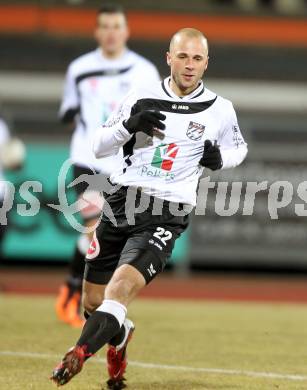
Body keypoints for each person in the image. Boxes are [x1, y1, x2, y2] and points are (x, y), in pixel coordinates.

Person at [51, 28, 248, 389]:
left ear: (206, 63)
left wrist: (220, 159)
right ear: (169, 58)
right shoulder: (141, 97)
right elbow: (97, 145)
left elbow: (239, 148)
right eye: (183, 57)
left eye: (197, 58)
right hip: (122, 201)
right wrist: (128, 126)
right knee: (93, 303)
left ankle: (78, 353)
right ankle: (120, 334)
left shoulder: (220, 109)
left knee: (119, 290)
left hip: (167, 213)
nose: (190, 66)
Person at [56, 3, 160, 328]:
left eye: (117, 26)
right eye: (105, 26)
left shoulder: (144, 71)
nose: (111, 32)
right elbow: (69, 114)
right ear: (96, 31)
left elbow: (159, 118)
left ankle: (72, 289)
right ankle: (78, 296)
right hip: (88, 161)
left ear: (126, 31)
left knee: (99, 239)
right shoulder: (79, 69)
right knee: (93, 230)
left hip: (125, 168)